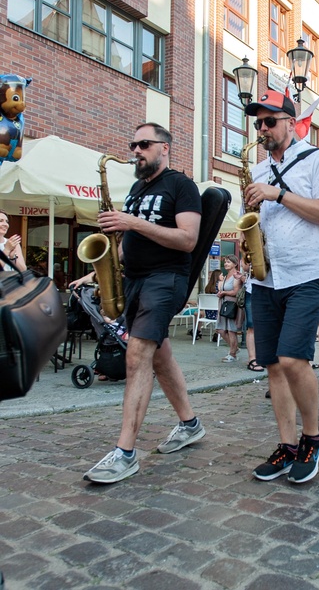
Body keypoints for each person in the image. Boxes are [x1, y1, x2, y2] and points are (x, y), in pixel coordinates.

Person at [83, 122, 205, 484]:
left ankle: (124, 453)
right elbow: (129, 239)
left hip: (165, 278)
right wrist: (100, 270)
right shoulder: (136, 188)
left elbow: (187, 239)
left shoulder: (182, 186)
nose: (136, 150)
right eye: (133, 144)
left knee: (137, 353)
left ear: (164, 148)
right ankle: (190, 424)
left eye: (144, 144)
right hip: (133, 279)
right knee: (160, 355)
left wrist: (132, 222)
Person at [243, 90, 319, 483]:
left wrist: (279, 194)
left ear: (290, 121)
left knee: (292, 358)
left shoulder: (317, 160)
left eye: (270, 121)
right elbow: (251, 221)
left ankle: (311, 437)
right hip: (266, 275)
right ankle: (286, 447)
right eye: (258, 123)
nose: (263, 129)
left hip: (308, 271)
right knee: (271, 364)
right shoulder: (255, 171)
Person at [216, 254, 243, 362]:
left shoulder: (236, 276)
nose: (225, 264)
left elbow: (236, 291)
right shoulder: (224, 276)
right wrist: (221, 282)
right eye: (225, 262)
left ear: (235, 264)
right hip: (223, 304)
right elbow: (220, 288)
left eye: (228, 262)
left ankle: (232, 354)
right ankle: (235, 348)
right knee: (221, 330)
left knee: (232, 330)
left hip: (232, 305)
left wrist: (224, 293)